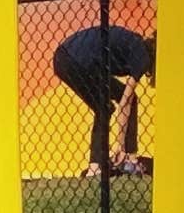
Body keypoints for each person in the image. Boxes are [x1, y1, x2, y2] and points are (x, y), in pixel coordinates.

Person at [52, 17, 155, 178]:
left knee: (104, 108)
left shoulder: (134, 44)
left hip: (64, 57)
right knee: (111, 105)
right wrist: (120, 145)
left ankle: (97, 165)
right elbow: (125, 102)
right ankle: (126, 158)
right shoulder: (142, 57)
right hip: (77, 61)